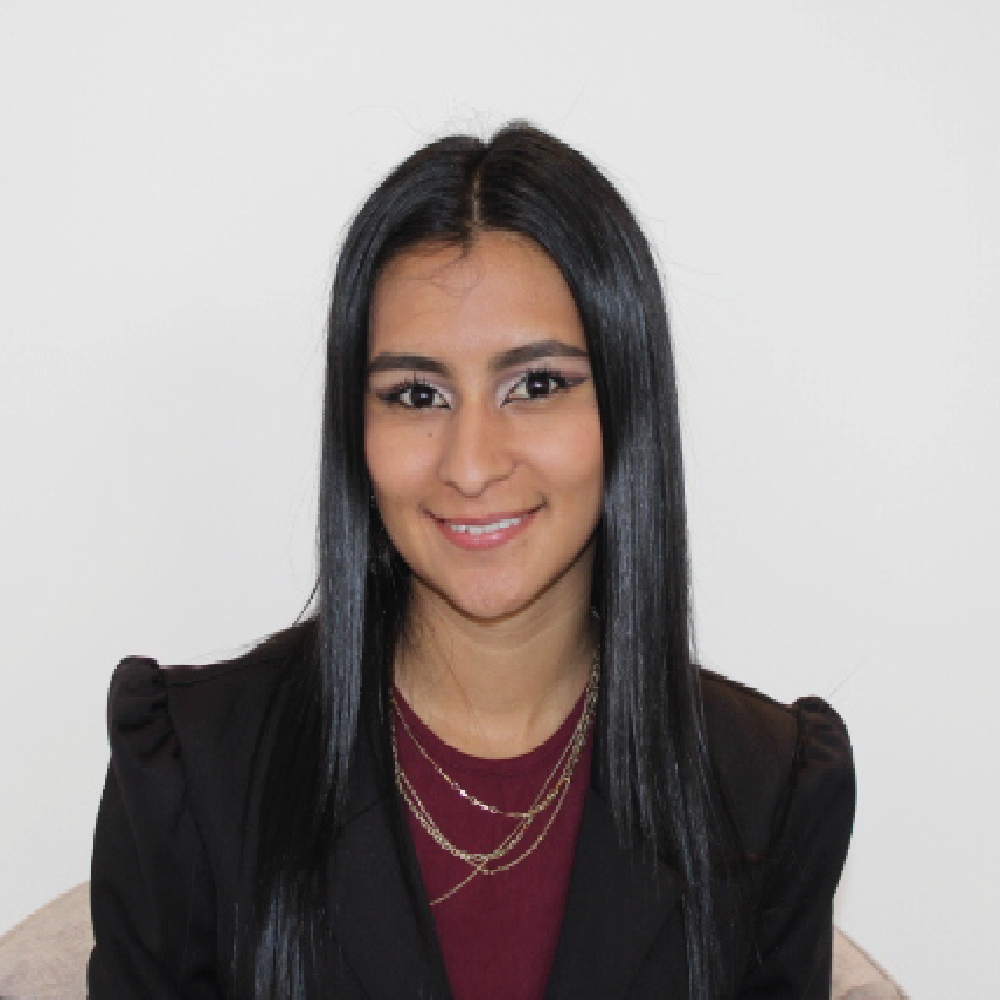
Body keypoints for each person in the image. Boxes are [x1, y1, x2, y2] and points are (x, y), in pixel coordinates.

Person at [88, 123, 855, 999]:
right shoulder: (196, 771)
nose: (471, 464)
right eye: (418, 395)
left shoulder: (768, 792)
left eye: (537, 385)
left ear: (626, 406)